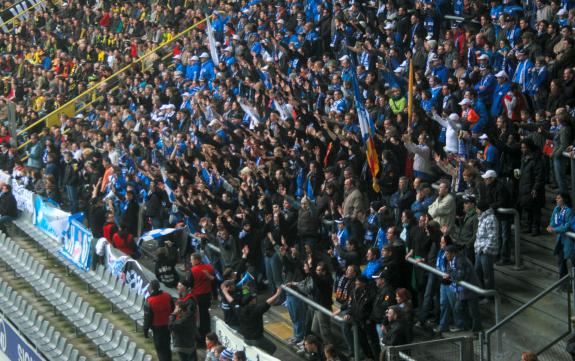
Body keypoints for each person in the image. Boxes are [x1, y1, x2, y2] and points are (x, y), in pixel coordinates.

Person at [444, 245, 482, 332]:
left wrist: (450, 275)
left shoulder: (461, 260)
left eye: (447, 254)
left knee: (473, 312)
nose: (445, 256)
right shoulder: (451, 261)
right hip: (463, 290)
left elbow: (460, 276)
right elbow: (449, 271)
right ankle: (467, 327)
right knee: (458, 308)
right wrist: (451, 274)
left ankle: (477, 330)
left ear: (453, 253)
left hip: (471, 288)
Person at [237, 288, 283, 355]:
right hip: (257, 339)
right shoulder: (256, 310)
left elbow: (232, 302)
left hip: (246, 338)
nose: (255, 299)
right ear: (251, 301)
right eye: (253, 298)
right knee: (272, 348)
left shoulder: (239, 310)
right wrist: (277, 294)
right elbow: (267, 303)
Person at [144, 279, 175, 361]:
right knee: (167, 346)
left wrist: (145, 331)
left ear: (151, 288)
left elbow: (147, 318)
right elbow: (173, 309)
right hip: (167, 325)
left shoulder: (149, 301)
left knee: (160, 348)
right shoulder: (167, 296)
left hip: (157, 328)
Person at [188, 253, 215, 342]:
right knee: (206, 316)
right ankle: (207, 335)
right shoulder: (209, 267)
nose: (190, 261)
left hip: (197, 297)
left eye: (191, 259)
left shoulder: (193, 270)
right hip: (207, 296)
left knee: (199, 319)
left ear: (196, 260)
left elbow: (189, 284)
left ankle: (201, 338)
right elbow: (213, 281)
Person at [474, 201, 499, 293]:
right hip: (479, 250)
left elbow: (492, 236)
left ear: (481, 209)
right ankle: (480, 293)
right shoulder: (482, 218)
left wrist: (485, 250)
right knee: (477, 271)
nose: (476, 210)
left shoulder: (491, 219)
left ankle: (489, 295)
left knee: (487, 274)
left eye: (477, 208)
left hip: (486, 252)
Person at [169, 280, 197, 361]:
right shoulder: (181, 297)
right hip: (180, 331)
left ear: (185, 287)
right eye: (178, 285)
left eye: (180, 286)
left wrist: (174, 314)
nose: (178, 287)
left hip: (186, 331)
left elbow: (188, 316)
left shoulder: (190, 300)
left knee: (189, 355)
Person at [548, 193, 574, 279]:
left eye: (559, 198)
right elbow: (553, 221)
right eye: (557, 198)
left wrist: (554, 229)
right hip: (560, 240)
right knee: (561, 261)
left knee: (572, 261)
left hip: (569, 241)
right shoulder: (557, 209)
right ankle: (563, 283)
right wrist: (551, 226)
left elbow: (566, 226)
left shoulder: (569, 211)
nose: (557, 200)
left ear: (564, 200)